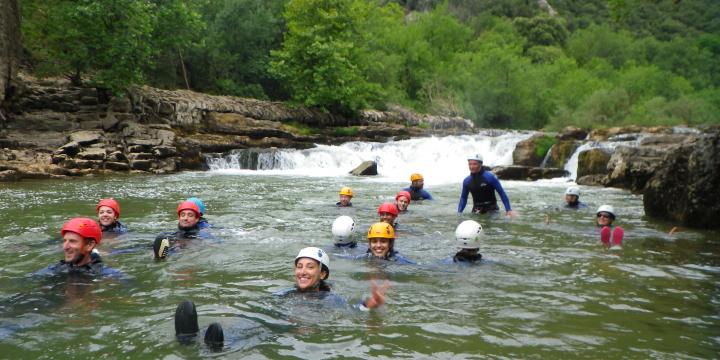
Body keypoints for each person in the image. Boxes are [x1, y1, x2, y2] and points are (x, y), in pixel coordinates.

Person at [174, 247, 390, 350]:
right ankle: (192, 336)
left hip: (292, 327)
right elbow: (263, 305)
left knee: (263, 332)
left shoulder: (329, 298)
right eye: (299, 266)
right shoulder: (286, 292)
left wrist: (368, 305)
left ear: (322, 274)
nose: (302, 272)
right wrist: (237, 309)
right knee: (253, 321)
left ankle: (218, 344)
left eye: (310, 267)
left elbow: (350, 310)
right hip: (279, 316)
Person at [35, 218, 120, 277]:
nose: (65, 247)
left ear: (89, 245)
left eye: (72, 241)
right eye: (65, 241)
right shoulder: (57, 267)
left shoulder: (106, 274)